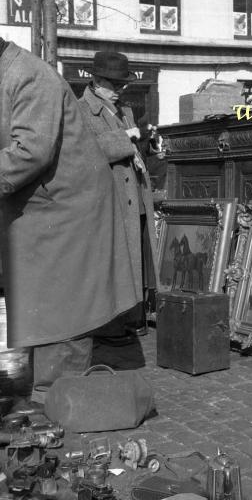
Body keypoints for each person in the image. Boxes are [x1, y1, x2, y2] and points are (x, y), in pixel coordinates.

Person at [0, 39, 137, 402]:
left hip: (69, 211)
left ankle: (57, 402)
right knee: (41, 302)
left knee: (63, 307)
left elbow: (31, 152)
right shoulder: (9, 73)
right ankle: (45, 390)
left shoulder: (30, 76)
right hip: (43, 207)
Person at [77, 51, 159, 340]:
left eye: (122, 84)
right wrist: (128, 137)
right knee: (112, 263)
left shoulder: (125, 111)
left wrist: (147, 143)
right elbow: (87, 150)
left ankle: (131, 318)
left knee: (135, 258)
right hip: (109, 200)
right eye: (113, 84)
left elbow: (133, 148)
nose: (120, 90)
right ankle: (109, 326)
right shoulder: (80, 111)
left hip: (134, 196)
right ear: (96, 81)